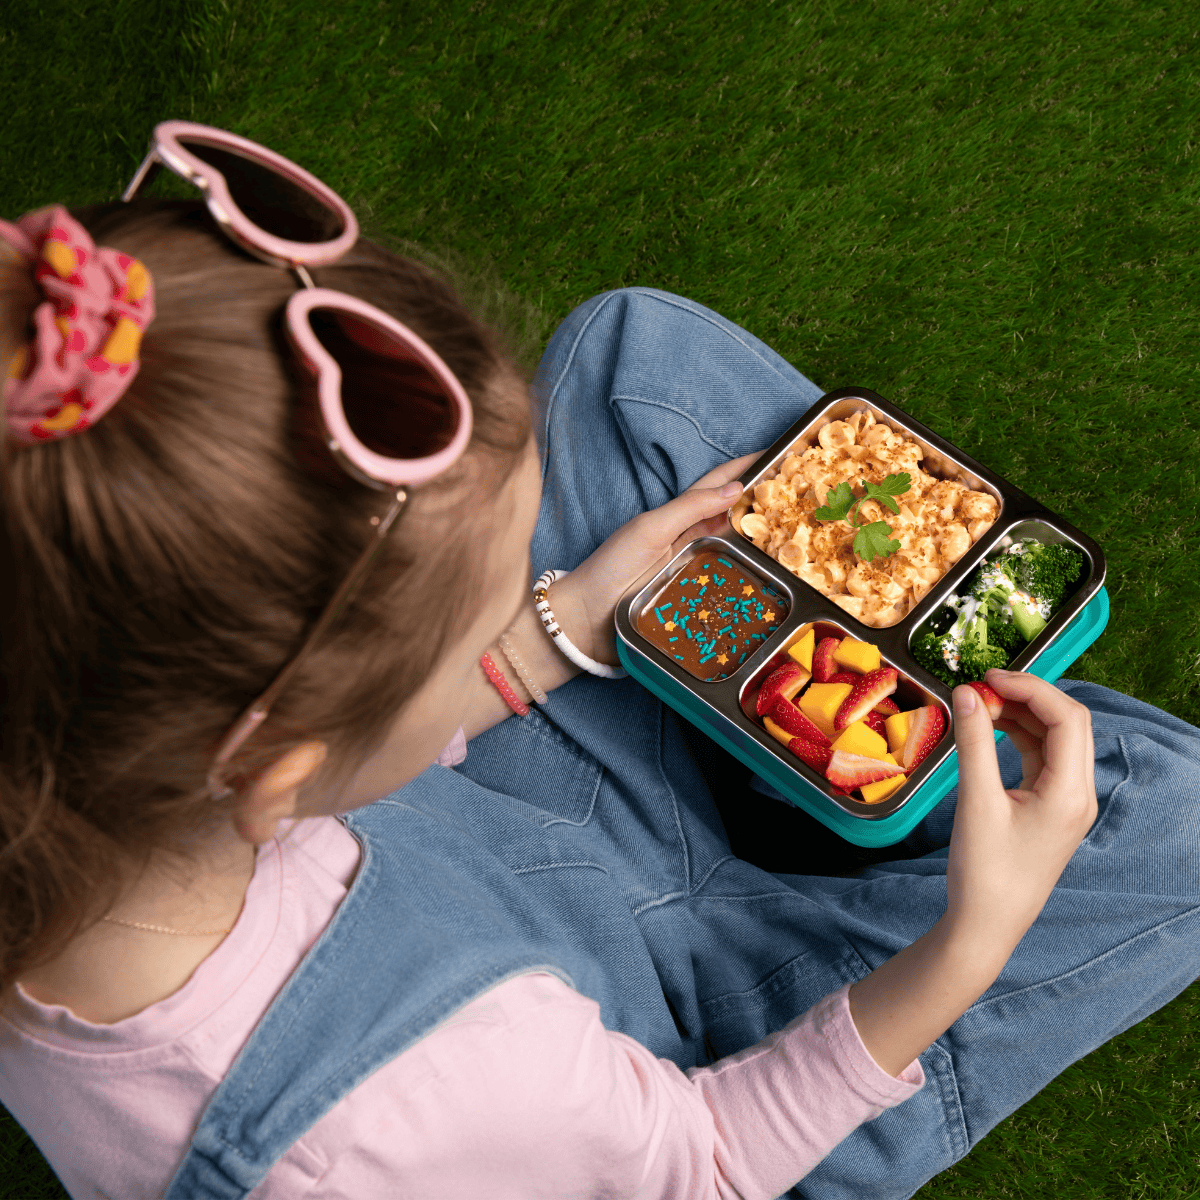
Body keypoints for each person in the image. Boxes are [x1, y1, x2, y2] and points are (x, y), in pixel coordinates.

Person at [1, 125, 1197, 1200]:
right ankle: (817, 866)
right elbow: (707, 1160)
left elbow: (351, 752)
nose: (518, 585)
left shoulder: (84, 771)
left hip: (458, 841)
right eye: (480, 612)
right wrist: (968, 946)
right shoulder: (393, 1117)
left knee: (635, 361)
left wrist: (563, 617)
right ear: (274, 765)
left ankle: (762, 775)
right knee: (1177, 819)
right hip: (673, 1057)